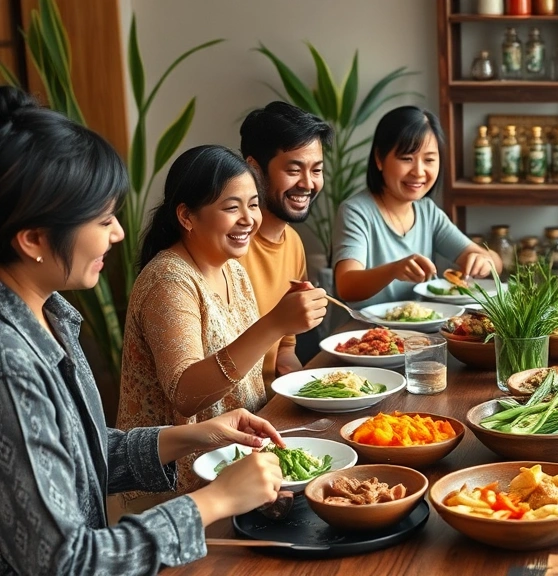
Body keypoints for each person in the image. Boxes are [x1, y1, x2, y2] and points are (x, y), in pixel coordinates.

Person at [0, 86, 284, 575]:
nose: (118, 233)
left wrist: (191, 436)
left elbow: (82, 454)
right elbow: (65, 562)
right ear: (33, 240)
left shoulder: (54, 318)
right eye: (104, 218)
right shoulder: (11, 362)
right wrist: (214, 502)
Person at [117, 145, 327, 509]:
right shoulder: (168, 281)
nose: (248, 219)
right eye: (232, 207)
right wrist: (275, 323)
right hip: (175, 494)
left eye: (253, 204)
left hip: (234, 471)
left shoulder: (232, 269)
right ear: (186, 216)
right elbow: (186, 393)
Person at [332, 105, 501, 307]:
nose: (419, 172)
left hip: (420, 336)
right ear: (379, 159)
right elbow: (346, 286)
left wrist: (486, 261)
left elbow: (496, 264)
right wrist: (394, 270)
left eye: (429, 159)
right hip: (362, 332)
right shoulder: (356, 212)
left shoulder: (427, 212)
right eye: (407, 159)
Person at [238, 101, 334, 389]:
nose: (308, 183)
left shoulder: (292, 241)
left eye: (316, 170)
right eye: (294, 169)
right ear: (254, 169)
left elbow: (285, 349)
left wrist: (314, 389)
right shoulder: (231, 247)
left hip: (271, 405)